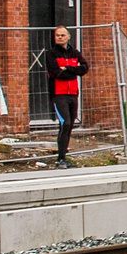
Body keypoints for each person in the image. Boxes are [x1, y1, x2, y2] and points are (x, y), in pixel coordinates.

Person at [48, 26, 90, 170]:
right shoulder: (51, 54)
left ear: (68, 36)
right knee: (64, 123)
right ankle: (60, 158)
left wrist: (67, 68)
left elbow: (84, 68)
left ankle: (64, 156)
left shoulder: (75, 53)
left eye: (62, 35)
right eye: (57, 35)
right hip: (58, 95)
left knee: (70, 124)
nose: (60, 37)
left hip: (73, 94)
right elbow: (55, 72)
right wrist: (73, 71)